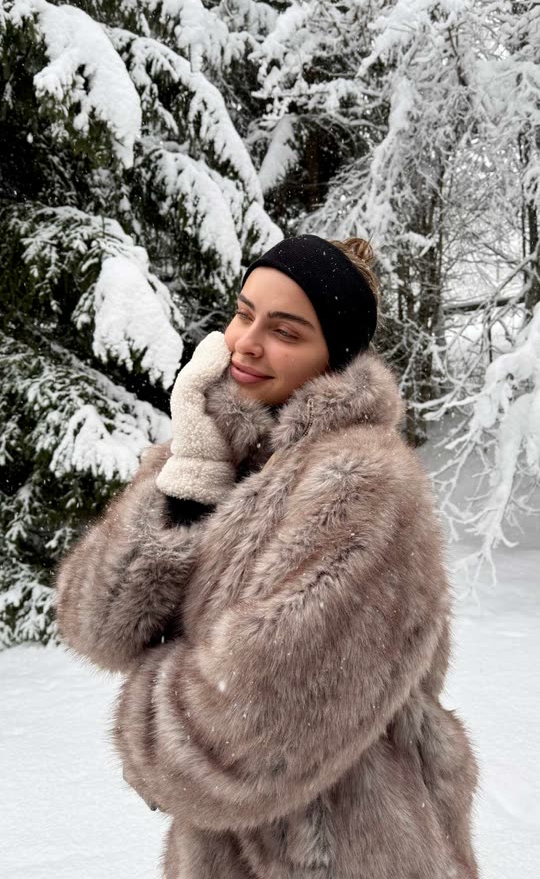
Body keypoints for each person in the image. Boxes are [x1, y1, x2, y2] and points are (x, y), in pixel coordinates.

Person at [55, 234, 479, 879]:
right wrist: (190, 477)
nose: (246, 343)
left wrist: (152, 711)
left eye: (284, 330)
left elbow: (238, 741)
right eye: (243, 313)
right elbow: (98, 625)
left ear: (334, 358)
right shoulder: (216, 452)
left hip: (344, 848)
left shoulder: (360, 484)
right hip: (230, 851)